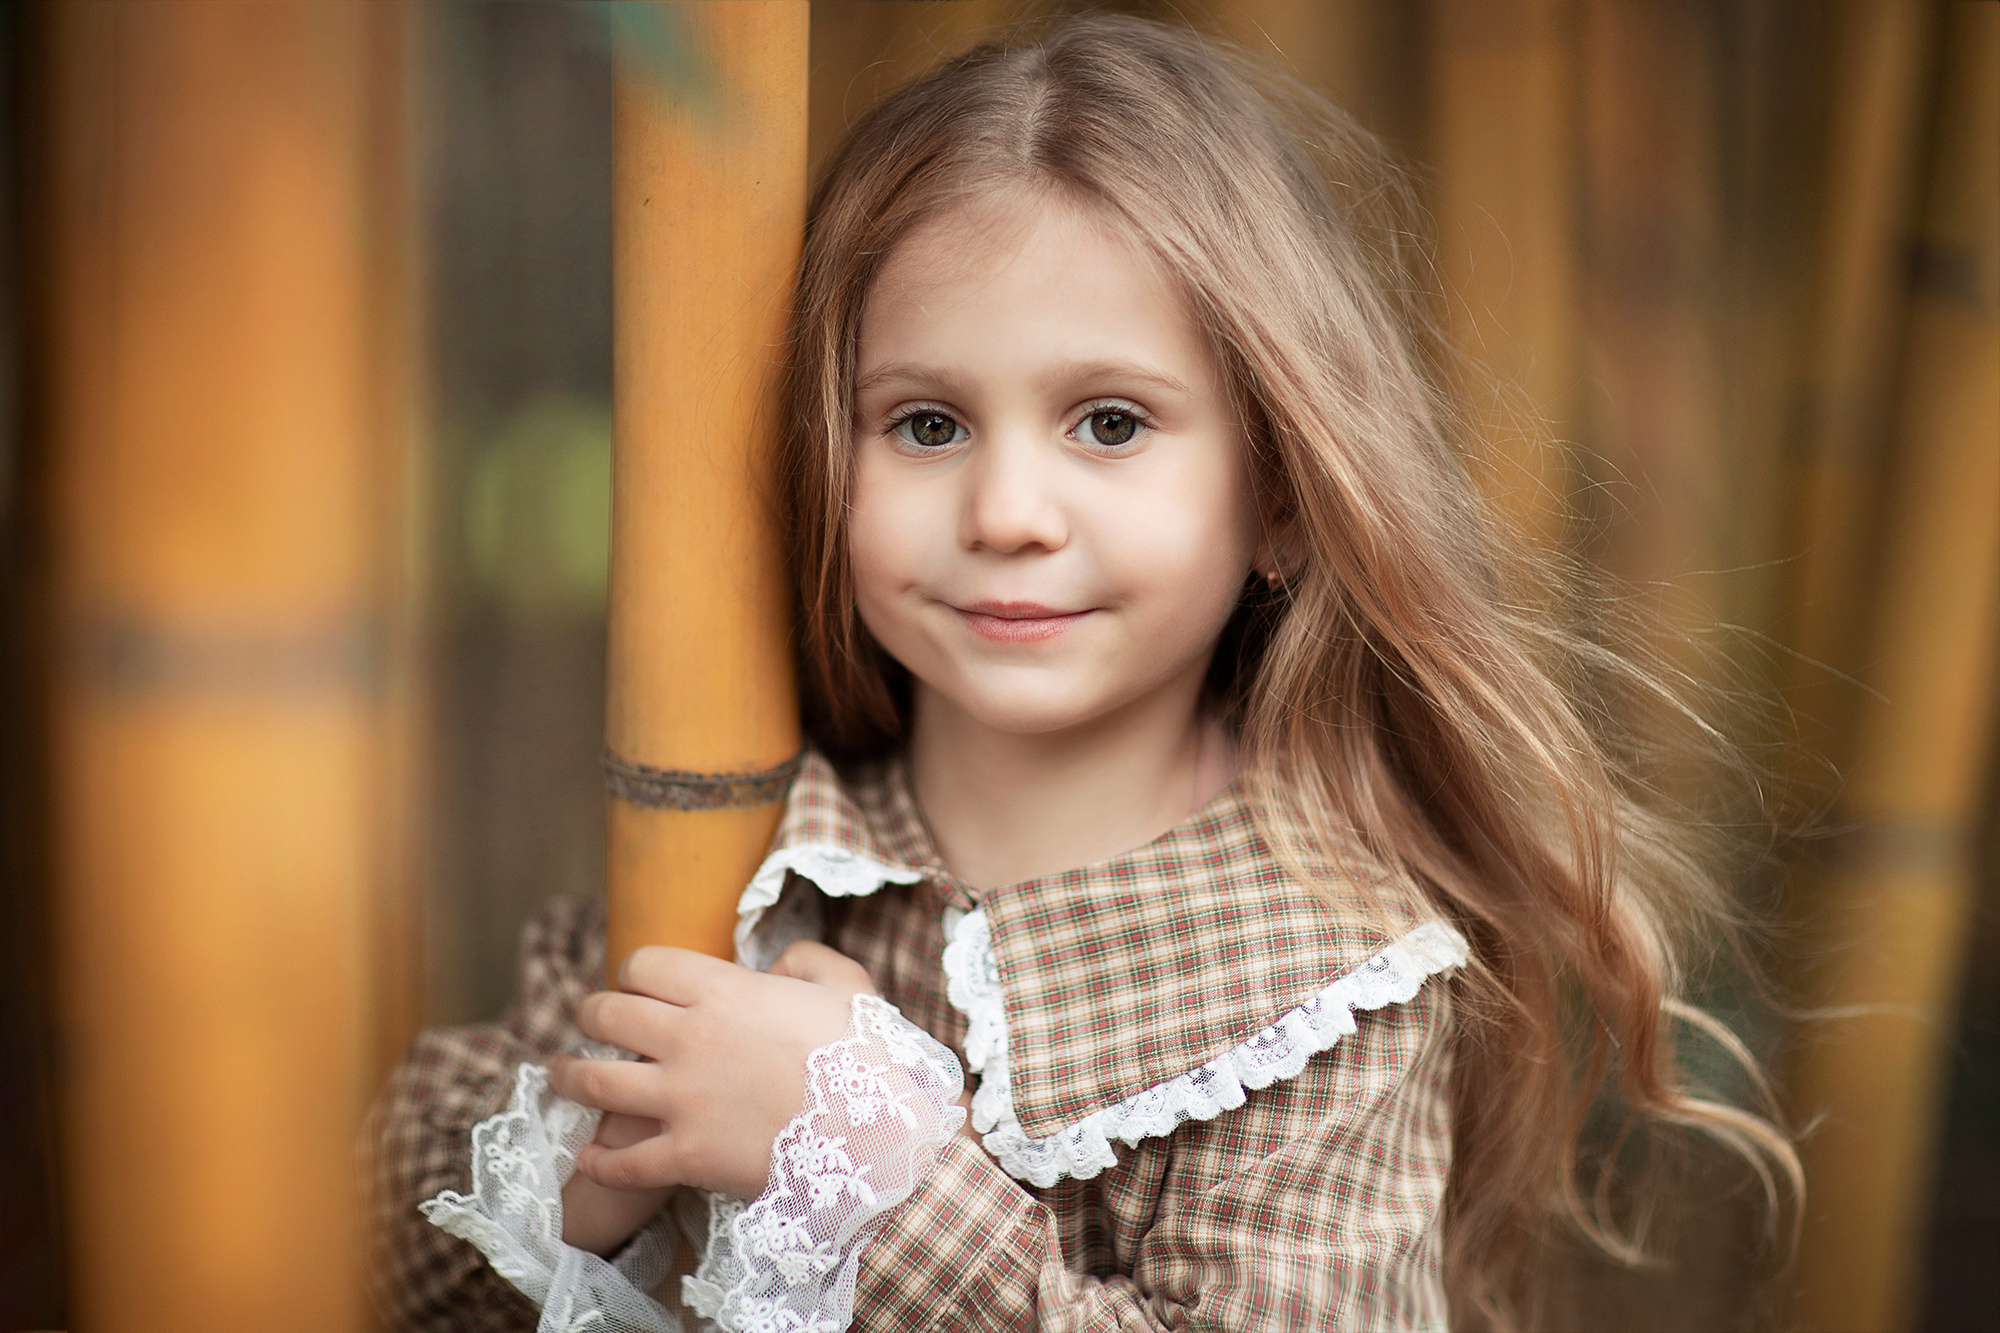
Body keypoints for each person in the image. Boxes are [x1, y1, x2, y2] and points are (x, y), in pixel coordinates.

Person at [368, 16, 1799, 1332]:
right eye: (925, 424)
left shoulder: (1321, 982)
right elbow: (366, 1242)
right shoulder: (738, 845)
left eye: (1109, 422)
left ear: (1285, 496)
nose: (1007, 511)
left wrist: (879, 1177)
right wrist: (586, 1192)